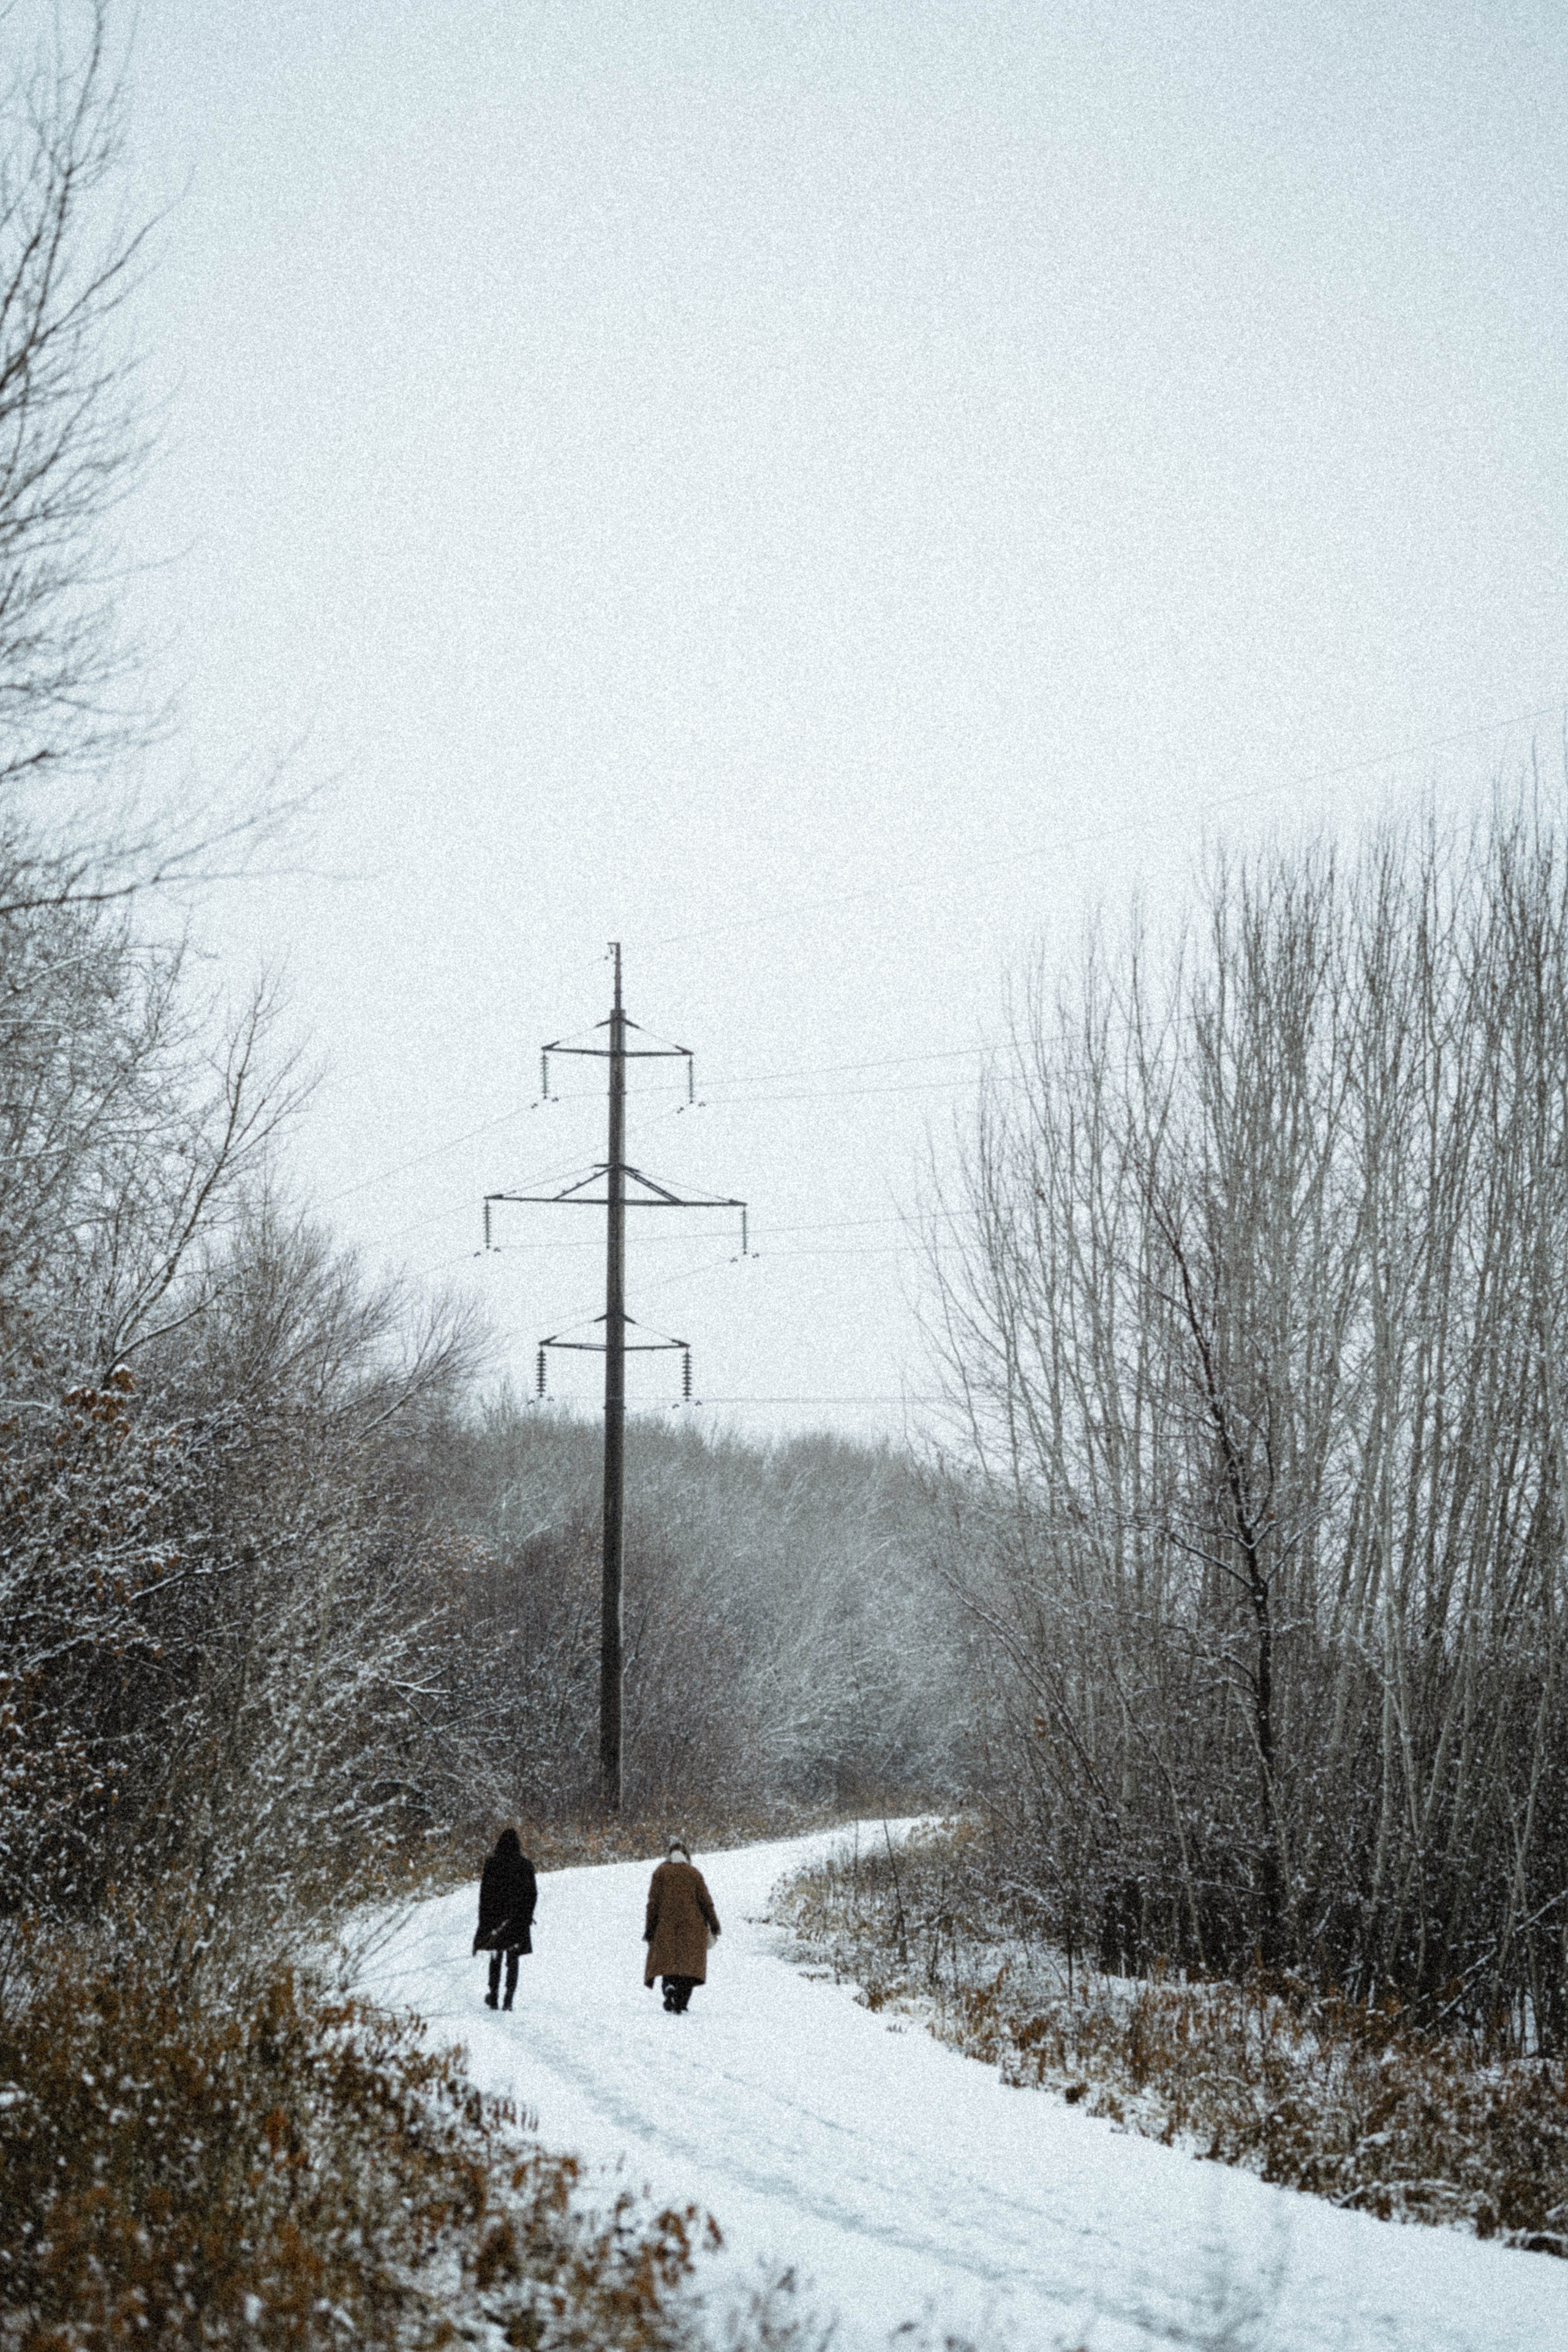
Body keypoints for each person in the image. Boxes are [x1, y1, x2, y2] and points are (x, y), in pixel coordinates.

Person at [643, 1839, 720, 2013]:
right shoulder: (694, 1873)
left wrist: (650, 1927)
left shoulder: (660, 1872)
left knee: (669, 1963)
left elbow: (653, 1903)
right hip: (693, 1928)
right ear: (687, 1856)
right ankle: (681, 2001)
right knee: (689, 1967)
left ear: (669, 1855)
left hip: (666, 1926)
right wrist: (714, 1925)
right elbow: (707, 1903)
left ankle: (669, 1987)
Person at [473, 1826, 537, 2010]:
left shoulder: (491, 1864)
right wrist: (527, 1916)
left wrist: (483, 1922)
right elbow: (532, 1894)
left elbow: (484, 1895)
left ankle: (493, 1996)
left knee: (496, 1957)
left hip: (495, 1918)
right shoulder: (526, 1865)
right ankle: (508, 2000)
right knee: (513, 1959)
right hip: (517, 1920)